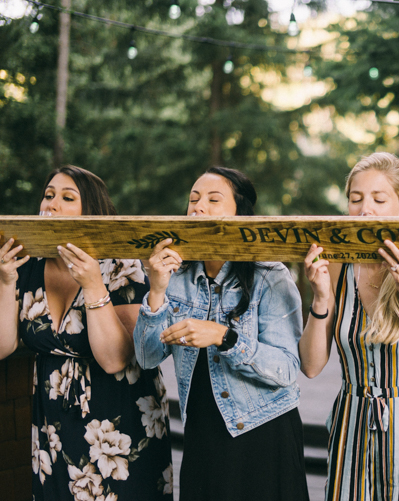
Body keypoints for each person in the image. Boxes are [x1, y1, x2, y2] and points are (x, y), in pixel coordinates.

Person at [134, 167, 308, 501]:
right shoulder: (176, 276)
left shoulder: (270, 276)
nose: (198, 207)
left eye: (214, 200)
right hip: (202, 435)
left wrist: (224, 337)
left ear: (240, 214)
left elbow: (287, 370)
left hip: (263, 431)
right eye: (193, 200)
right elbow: (146, 356)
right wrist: (156, 289)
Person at [0, 165, 173, 500]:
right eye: (48, 195)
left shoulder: (120, 265)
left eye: (67, 198)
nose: (51, 203)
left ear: (91, 211)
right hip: (52, 422)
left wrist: (94, 285)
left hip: (118, 421)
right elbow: (4, 344)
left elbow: (115, 360)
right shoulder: (29, 264)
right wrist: (6, 282)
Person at [300, 152, 399, 501]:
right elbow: (312, 366)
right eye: (355, 200)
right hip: (352, 422)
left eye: (378, 199)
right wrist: (320, 299)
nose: (364, 210)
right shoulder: (336, 266)